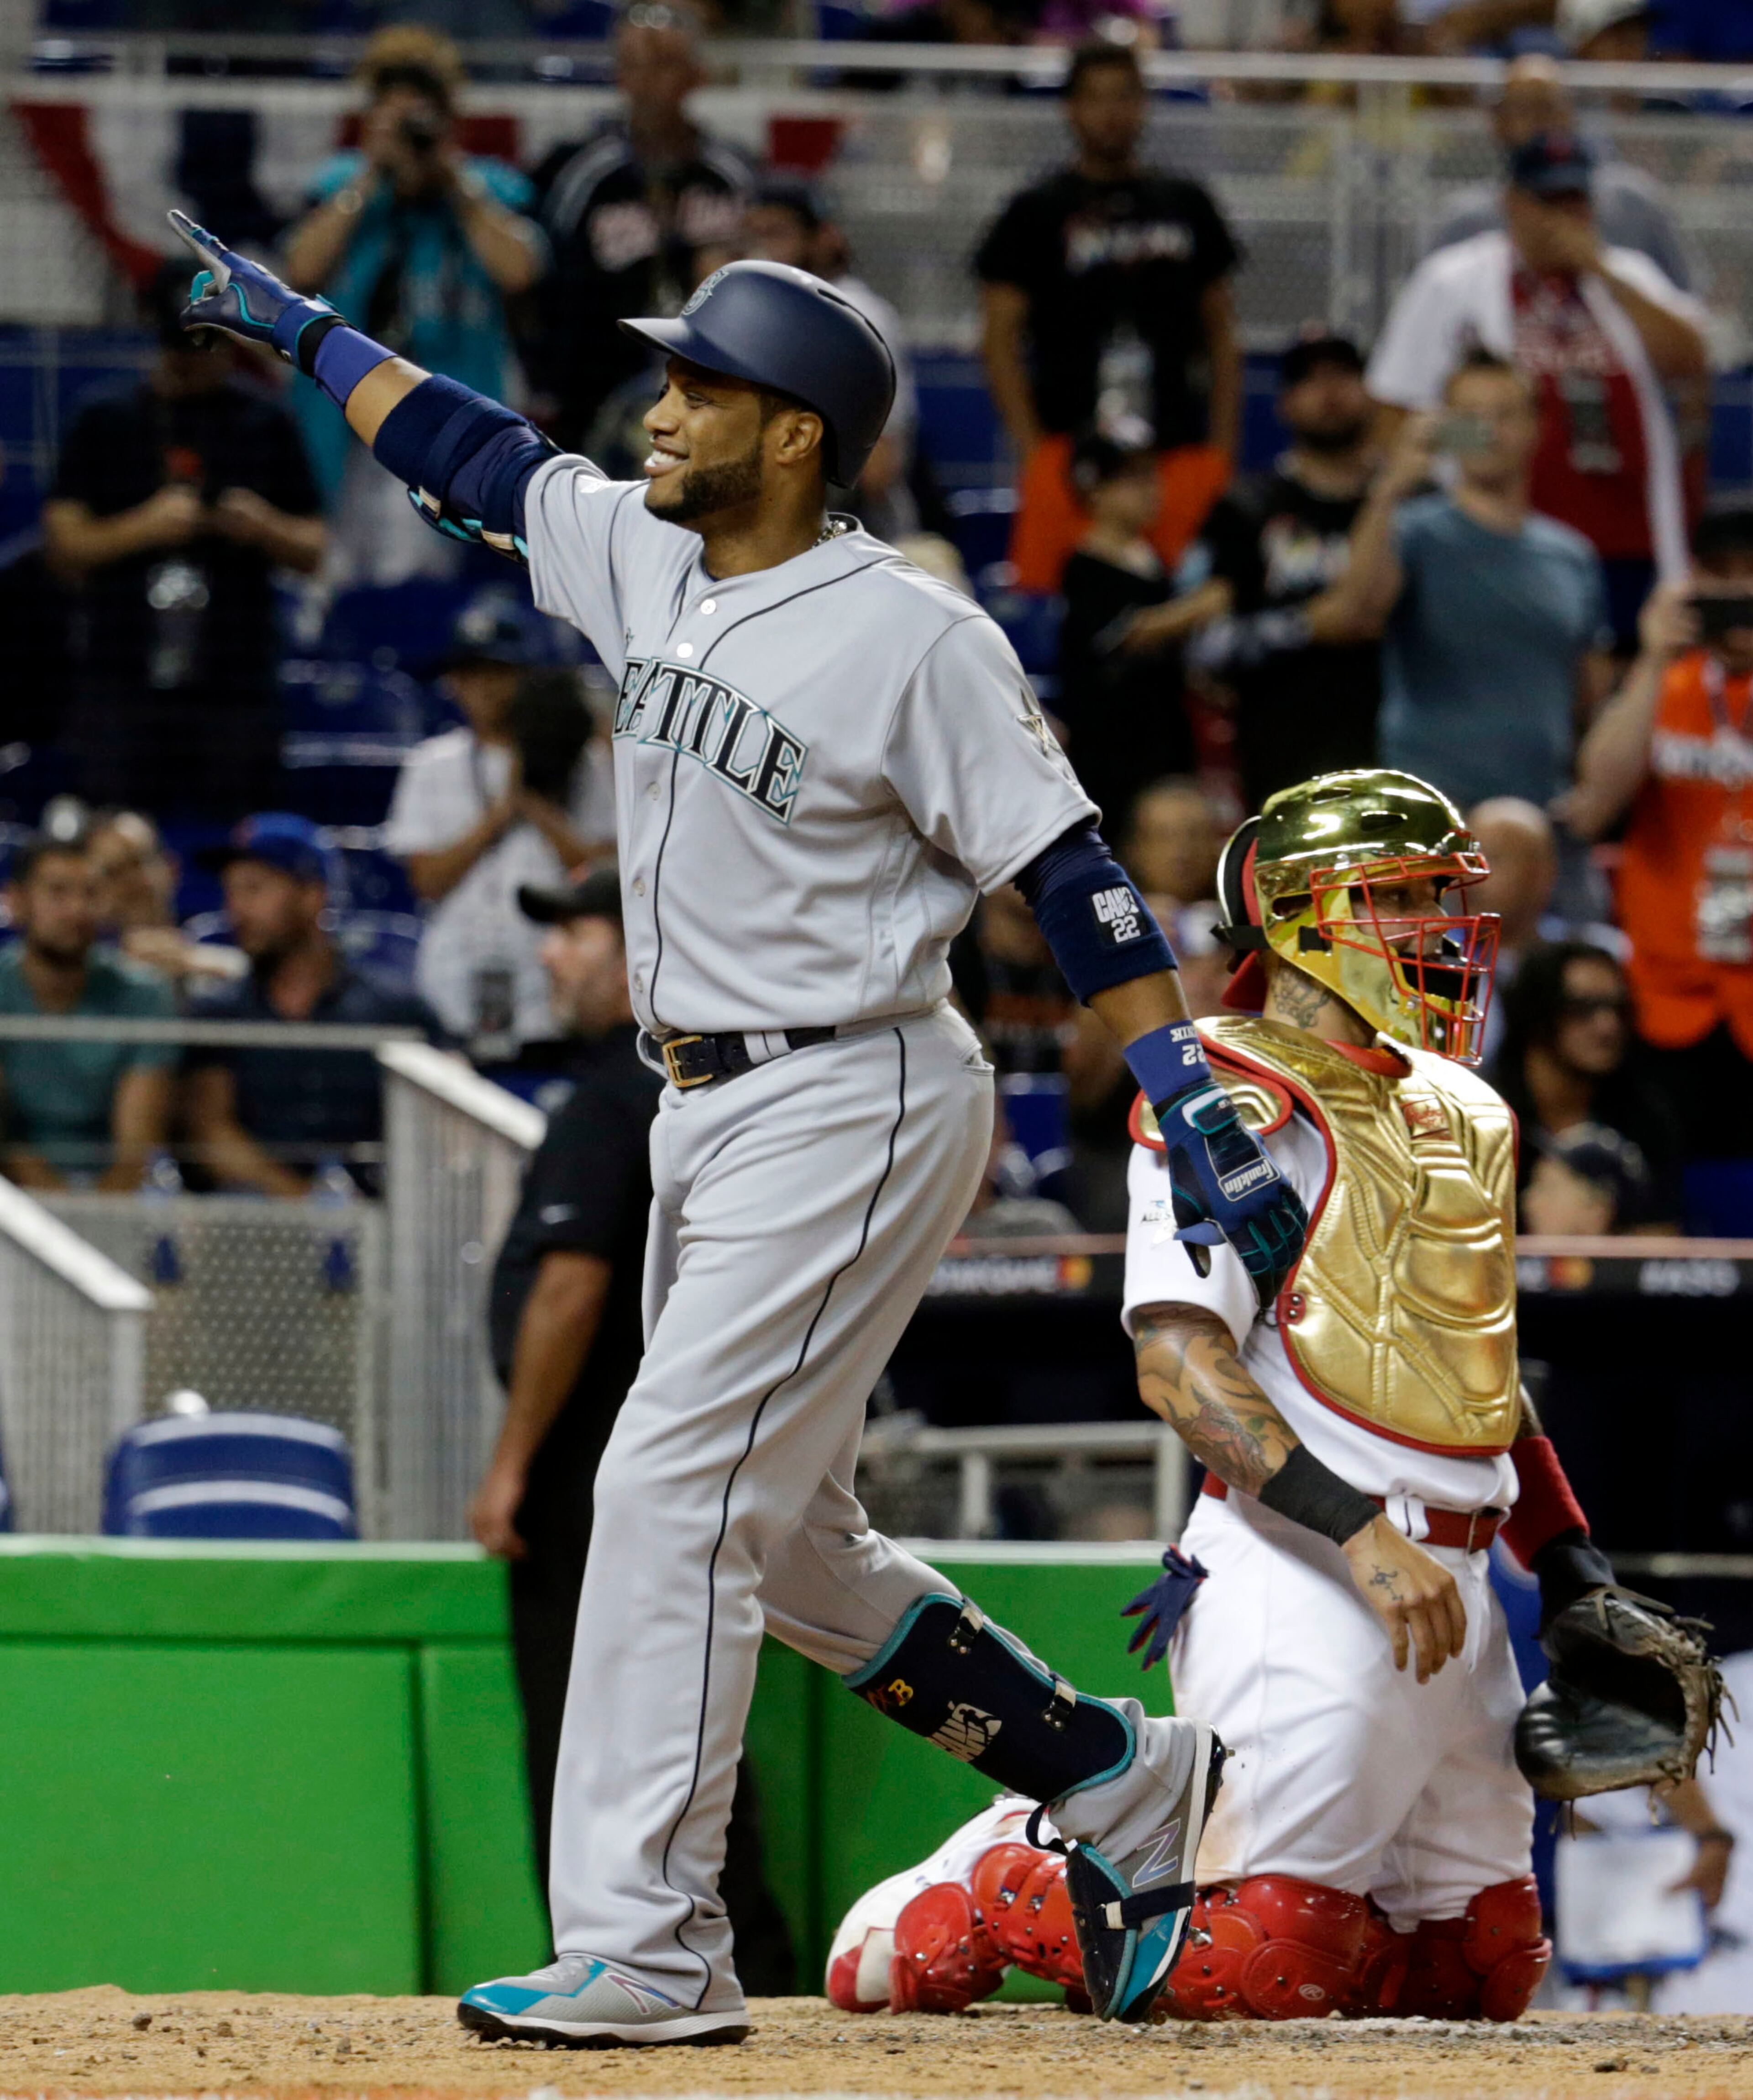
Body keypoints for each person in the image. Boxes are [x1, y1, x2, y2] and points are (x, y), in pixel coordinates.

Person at [172, 204, 1307, 2044]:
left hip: (854, 1080)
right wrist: (302, 331)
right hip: (703, 1099)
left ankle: (652, 1943)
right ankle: (1113, 1772)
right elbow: (475, 452)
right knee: (776, 1540)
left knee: (664, 1486)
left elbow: (1071, 869)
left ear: (800, 434)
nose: (663, 404)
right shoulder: (642, 553)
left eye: (704, 381)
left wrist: (1183, 1085)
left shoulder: (908, 635)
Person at [828, 769, 1636, 2025]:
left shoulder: (1464, 1105)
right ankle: (991, 1880)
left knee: (1473, 1969)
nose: (1444, 933)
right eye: (1406, 900)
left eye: (1446, 901)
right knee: (1264, 1963)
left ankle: (1138, 1836)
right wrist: (1358, 1529)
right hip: (1306, 1563)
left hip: (1460, 1588)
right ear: (1309, 916)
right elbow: (1178, 1362)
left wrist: (1572, 1561)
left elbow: (1481, 1376)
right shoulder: (1222, 1091)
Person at [471, 867, 793, 1991]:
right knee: (672, 1717)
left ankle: (638, 1959)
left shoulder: (616, 1094)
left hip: (589, 1476)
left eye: (575, 932)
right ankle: (709, 1958)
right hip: (663, 1459)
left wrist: (508, 1467)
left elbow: (569, 1286)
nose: (554, 956)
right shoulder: (691, 1087)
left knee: (600, 1728)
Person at [1368, 132, 1708, 647]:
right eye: (1546, 201)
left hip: (1625, 541)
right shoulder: (1452, 279)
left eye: (1574, 201)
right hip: (1500, 546)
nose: (1560, 217)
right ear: (1511, 203)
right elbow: (1393, 419)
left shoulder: (1626, 275)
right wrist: (1487, 442)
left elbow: (1691, 360)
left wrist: (1599, 270)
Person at [41, 262, 325, 817]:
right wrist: (143, 528)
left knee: (237, 835)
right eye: (181, 345)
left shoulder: (264, 422)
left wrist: (263, 526)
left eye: (205, 345)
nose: (191, 361)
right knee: (115, 831)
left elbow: (313, 547)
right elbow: (63, 547)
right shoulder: (106, 419)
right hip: (123, 674)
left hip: (234, 678)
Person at [976, 41, 1243, 594]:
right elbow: (999, 340)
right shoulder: (1036, 210)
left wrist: (1220, 451)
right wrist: (1035, 453)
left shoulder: (1186, 203)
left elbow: (1221, 336)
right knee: (1060, 612)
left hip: (1177, 452)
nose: (1111, 112)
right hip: (1070, 457)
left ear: (1145, 104)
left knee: (1185, 604)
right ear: (1069, 108)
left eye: (1124, 96)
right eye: (1094, 98)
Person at [281, 26, 545, 553]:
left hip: (450, 421)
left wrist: (451, 179)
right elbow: (301, 269)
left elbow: (520, 270)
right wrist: (372, 175)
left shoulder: (486, 188)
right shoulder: (344, 185)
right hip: (346, 416)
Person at [1336, 353, 1615, 813]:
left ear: (1537, 427)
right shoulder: (1410, 531)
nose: (1488, 431)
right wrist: (1389, 489)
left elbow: (1591, 693)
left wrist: (1591, 789)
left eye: (1505, 415)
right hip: (1429, 813)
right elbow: (1356, 612)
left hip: (1541, 811)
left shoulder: (1572, 556)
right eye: (1470, 417)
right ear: (1445, 427)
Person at [1562, 511, 1753, 1163]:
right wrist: (1649, 658)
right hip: (1668, 997)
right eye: (1721, 580)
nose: (1739, 601)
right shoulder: (1664, 686)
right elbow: (1594, 805)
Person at [384, 592, 615, 1057]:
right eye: (471, 674)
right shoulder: (431, 763)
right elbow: (426, 881)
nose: (486, 688)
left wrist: (537, 806)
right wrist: (500, 816)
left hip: (547, 983)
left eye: (500, 672)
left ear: (529, 678)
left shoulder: (581, 763)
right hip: (455, 977)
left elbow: (603, 874)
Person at [525, 2, 752, 455]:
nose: (648, 83)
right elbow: (543, 283)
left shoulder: (732, 173)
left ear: (696, 75)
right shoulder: (579, 171)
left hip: (711, 398)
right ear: (619, 76)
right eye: (634, 66)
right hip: (594, 398)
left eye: (664, 65)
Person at [184, 814, 440, 1198]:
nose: (236, 909)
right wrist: (304, 1202)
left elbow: (440, 1128)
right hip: (254, 1222)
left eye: (254, 890)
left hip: (381, 1209)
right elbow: (210, 1129)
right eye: (231, 892)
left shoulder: (396, 1011)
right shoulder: (218, 1011)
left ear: (312, 897)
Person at [1189, 329, 1383, 811]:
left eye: (1344, 376)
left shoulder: (1411, 504)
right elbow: (1204, 646)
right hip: (1283, 754)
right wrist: (1306, 627)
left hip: (1397, 748)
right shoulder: (1244, 508)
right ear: (1284, 403)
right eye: (1310, 381)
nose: (1330, 392)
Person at [1425, 56, 1705, 297]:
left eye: (1553, 106)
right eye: (1527, 109)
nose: (1543, 121)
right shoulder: (1465, 222)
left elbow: (1685, 303)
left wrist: (1603, 270)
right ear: (1498, 122)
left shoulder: (1633, 203)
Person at [740, 177, 918, 542]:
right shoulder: (752, 315)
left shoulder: (855, 314)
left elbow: (877, 470)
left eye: (777, 234)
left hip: (861, 535)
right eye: (752, 237)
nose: (760, 251)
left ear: (821, 239)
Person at [1054, 426, 1210, 838]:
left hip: (1165, 732)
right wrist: (1206, 603)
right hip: (1112, 747)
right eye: (1133, 480)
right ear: (1095, 490)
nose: (1151, 490)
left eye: (1152, 476)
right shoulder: (1084, 565)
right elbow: (1125, 633)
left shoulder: (1153, 561)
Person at [0, 830, 175, 1190]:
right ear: (18, 901)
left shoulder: (145, 995)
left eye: (91, 893)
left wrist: (97, 1219)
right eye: (58, 892)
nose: (77, 909)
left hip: (112, 1193)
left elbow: (135, 1150)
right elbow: (5, 1143)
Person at [1490, 939, 1683, 1229]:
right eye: (1582, 1009)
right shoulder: (1485, 1113)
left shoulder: (1642, 1113)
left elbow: (1662, 1236)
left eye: (1618, 1008)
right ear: (1538, 1013)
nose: (1608, 1026)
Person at [87, 807, 247, 991]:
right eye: (114, 872)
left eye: (139, 863)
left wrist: (189, 961)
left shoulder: (219, 936)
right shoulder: (88, 959)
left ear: (172, 869)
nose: (131, 882)